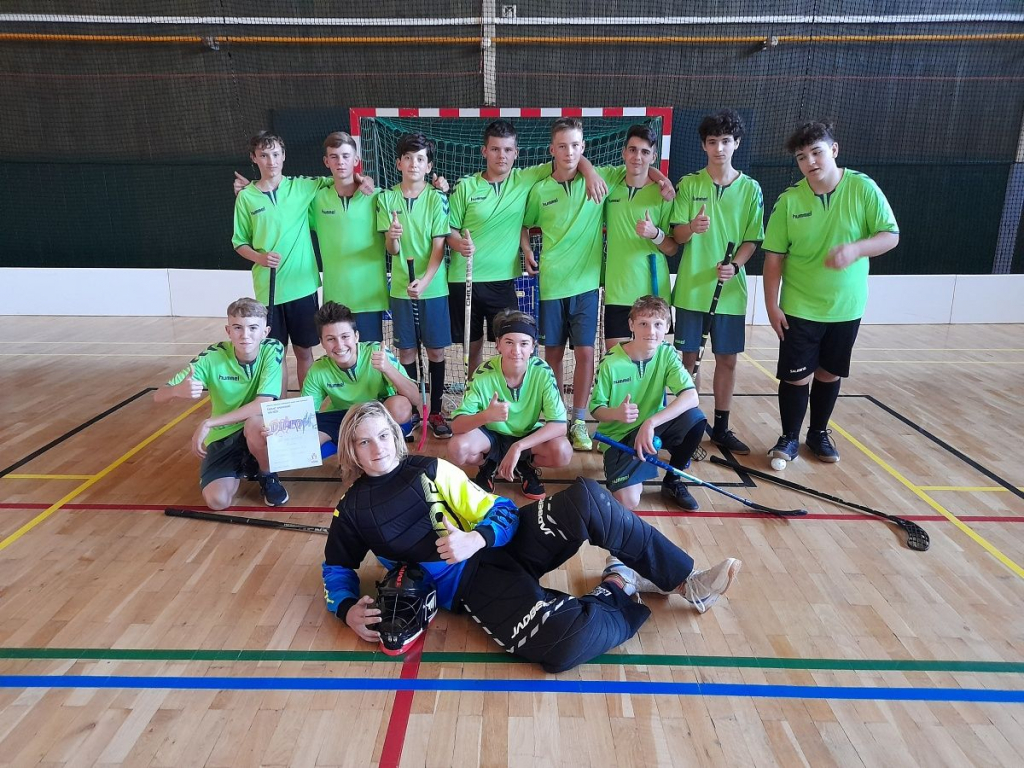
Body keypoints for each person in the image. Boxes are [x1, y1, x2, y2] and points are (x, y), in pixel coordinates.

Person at [322, 401, 742, 673]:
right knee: (563, 644)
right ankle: (619, 582)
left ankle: (685, 581)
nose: (377, 448)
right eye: (364, 441)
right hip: (474, 588)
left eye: (383, 435)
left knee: (588, 500)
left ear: (395, 435)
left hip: (505, 543)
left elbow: (504, 512)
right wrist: (345, 609)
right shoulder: (352, 509)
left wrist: (475, 539)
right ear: (352, 450)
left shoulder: (430, 471)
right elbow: (336, 567)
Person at [522, 118, 673, 451]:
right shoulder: (540, 190)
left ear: (584, 148)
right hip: (551, 285)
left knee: (586, 354)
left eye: (576, 145)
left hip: (587, 286)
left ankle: (578, 420)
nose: (569, 152)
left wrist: (662, 178)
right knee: (552, 355)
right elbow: (524, 224)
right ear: (552, 149)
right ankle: (556, 416)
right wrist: (526, 249)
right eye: (562, 146)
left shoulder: (605, 177)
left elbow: (640, 167)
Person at [762, 120, 899, 464]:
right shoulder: (789, 201)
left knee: (829, 373)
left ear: (833, 150)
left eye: (816, 152)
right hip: (799, 306)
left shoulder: (863, 189)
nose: (810, 161)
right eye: (801, 157)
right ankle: (789, 437)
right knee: (796, 377)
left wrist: (856, 249)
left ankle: (818, 433)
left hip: (846, 306)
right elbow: (774, 258)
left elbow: (890, 235)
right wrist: (771, 305)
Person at [447, 120, 608, 376]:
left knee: (511, 346)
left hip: (503, 281)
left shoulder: (525, 179)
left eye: (508, 150)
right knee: (472, 347)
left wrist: (590, 173)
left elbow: (570, 159)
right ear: (484, 151)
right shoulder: (465, 186)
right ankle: (474, 393)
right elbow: (450, 230)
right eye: (495, 149)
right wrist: (459, 244)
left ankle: (508, 394)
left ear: (516, 153)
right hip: (464, 279)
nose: (502, 155)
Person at [671, 109, 764, 455]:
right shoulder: (689, 184)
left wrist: (735, 266)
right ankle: (689, 427)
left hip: (730, 292)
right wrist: (691, 228)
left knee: (727, 360)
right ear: (704, 146)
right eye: (713, 142)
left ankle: (721, 429)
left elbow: (752, 239)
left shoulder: (751, 189)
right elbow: (676, 236)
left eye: (726, 141)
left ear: (736, 143)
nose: (719, 148)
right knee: (689, 360)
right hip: (692, 290)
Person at [153, 297, 288, 509]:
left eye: (253, 328)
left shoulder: (272, 348)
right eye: (238, 327)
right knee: (217, 501)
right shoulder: (212, 357)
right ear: (228, 331)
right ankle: (244, 463)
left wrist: (209, 423)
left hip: (258, 427)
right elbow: (158, 395)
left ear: (265, 332)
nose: (245, 335)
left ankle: (266, 473)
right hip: (224, 434)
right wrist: (176, 391)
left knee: (254, 424)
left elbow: (263, 402)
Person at [232, 132, 332, 393]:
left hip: (302, 287)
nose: (271, 161)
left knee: (304, 352)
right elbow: (239, 242)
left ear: (284, 156)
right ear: (254, 158)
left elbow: (339, 179)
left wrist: (364, 180)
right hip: (269, 289)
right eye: (264, 155)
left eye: (276, 154)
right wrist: (259, 257)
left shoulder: (303, 186)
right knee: (275, 354)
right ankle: (279, 407)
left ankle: (308, 405)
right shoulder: (246, 197)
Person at [590, 296, 707, 511]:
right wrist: (616, 413)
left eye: (658, 324)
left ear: (667, 327)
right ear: (631, 325)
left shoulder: (666, 353)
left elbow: (691, 396)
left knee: (695, 418)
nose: (651, 331)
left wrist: (650, 423)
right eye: (643, 323)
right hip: (620, 437)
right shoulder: (611, 362)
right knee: (629, 501)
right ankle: (627, 465)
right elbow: (596, 409)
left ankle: (672, 481)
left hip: (653, 429)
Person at [448, 310, 572, 500]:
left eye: (524, 343)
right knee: (457, 447)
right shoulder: (483, 373)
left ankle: (525, 466)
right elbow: (456, 426)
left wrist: (518, 447)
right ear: (497, 344)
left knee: (563, 451)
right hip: (491, 438)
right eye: (509, 342)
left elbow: (560, 426)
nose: (516, 350)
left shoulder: (542, 372)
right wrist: (486, 416)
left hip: (526, 436)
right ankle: (488, 465)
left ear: (533, 346)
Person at [376, 132, 453, 438]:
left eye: (420, 159)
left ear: (428, 166)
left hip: (433, 288)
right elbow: (391, 250)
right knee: (406, 353)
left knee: (435, 351)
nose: (413, 164)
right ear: (398, 163)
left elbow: (439, 247)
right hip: (400, 289)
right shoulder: (386, 199)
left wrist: (425, 281)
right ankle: (412, 411)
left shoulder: (437, 198)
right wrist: (393, 237)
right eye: (408, 158)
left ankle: (435, 411)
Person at [301, 301, 420, 454]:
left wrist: (388, 369)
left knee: (400, 406)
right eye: (331, 339)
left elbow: (415, 398)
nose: (339, 345)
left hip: (378, 413)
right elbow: (305, 414)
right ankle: (357, 445)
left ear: (356, 336)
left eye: (345, 336)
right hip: (345, 417)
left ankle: (366, 446)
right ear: (322, 342)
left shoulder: (377, 352)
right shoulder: (317, 370)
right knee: (306, 443)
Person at [602, 124, 679, 350]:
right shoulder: (610, 188)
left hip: (652, 293)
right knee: (616, 361)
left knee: (652, 363)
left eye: (645, 152)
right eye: (633, 150)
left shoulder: (664, 195)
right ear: (623, 152)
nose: (638, 157)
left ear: (653, 157)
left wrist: (655, 234)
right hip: (617, 292)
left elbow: (672, 248)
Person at [310, 132, 389, 342]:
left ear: (356, 160)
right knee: (340, 355)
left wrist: (438, 189)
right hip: (335, 298)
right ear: (326, 161)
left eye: (346, 156)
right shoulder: (316, 200)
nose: (340, 162)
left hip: (369, 296)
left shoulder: (378, 196)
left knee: (370, 356)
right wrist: (250, 189)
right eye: (334, 157)